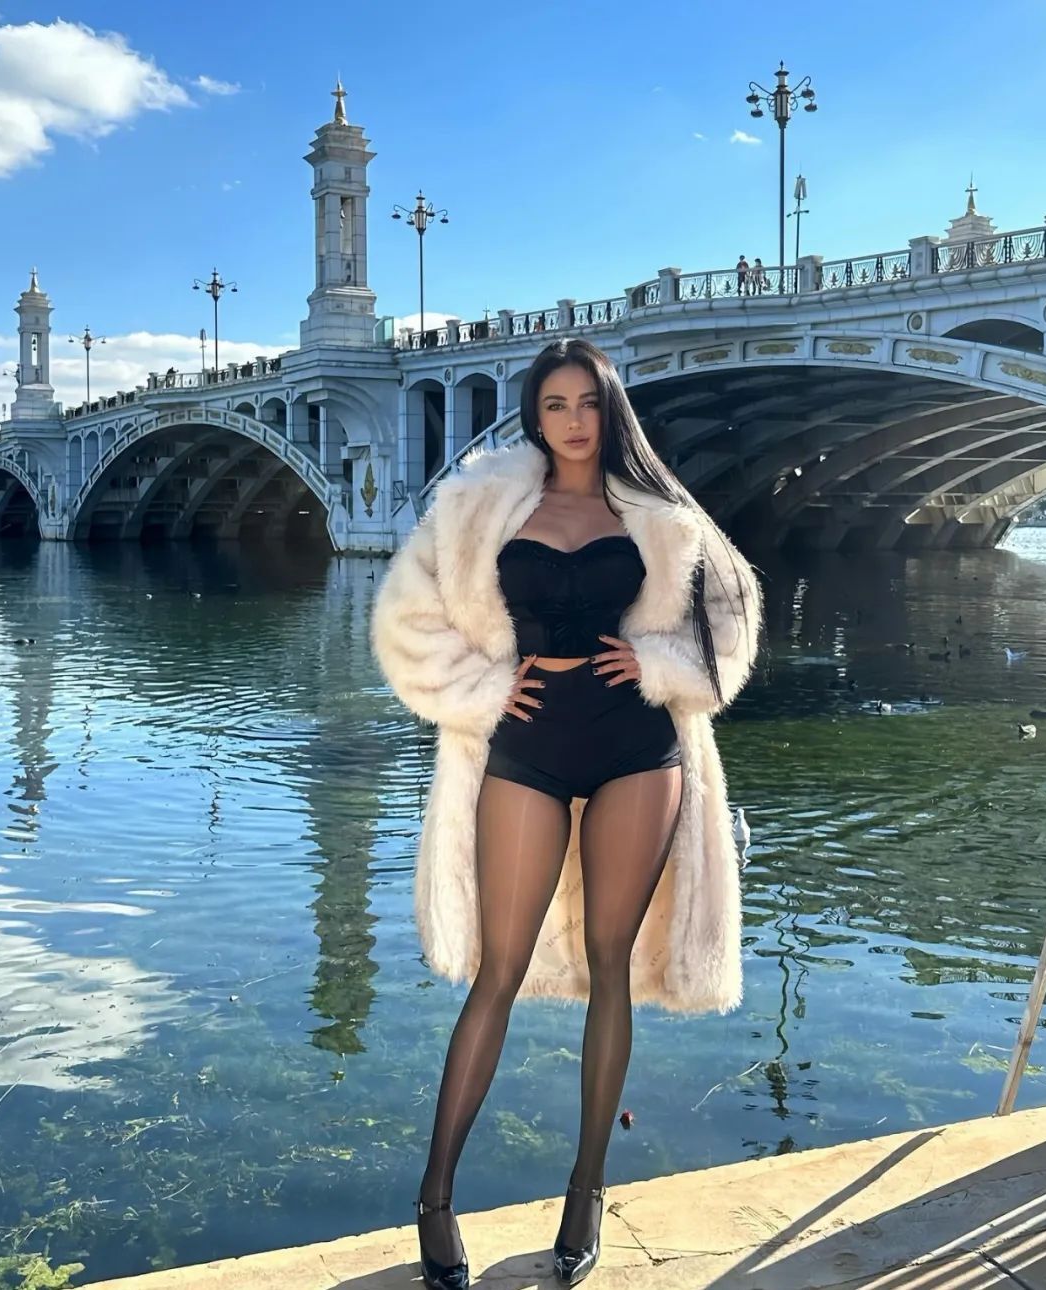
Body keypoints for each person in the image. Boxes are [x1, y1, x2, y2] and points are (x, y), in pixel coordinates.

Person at [370, 337, 762, 1290]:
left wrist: (659, 664)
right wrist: (482, 689)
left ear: (610, 410)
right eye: (555, 404)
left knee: (610, 962)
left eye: (589, 402)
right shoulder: (482, 506)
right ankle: (434, 1197)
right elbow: (405, 621)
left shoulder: (659, 511)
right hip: (527, 743)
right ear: (534, 416)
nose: (574, 421)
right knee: (497, 972)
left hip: (637, 746)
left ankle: (586, 1192)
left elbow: (735, 614)